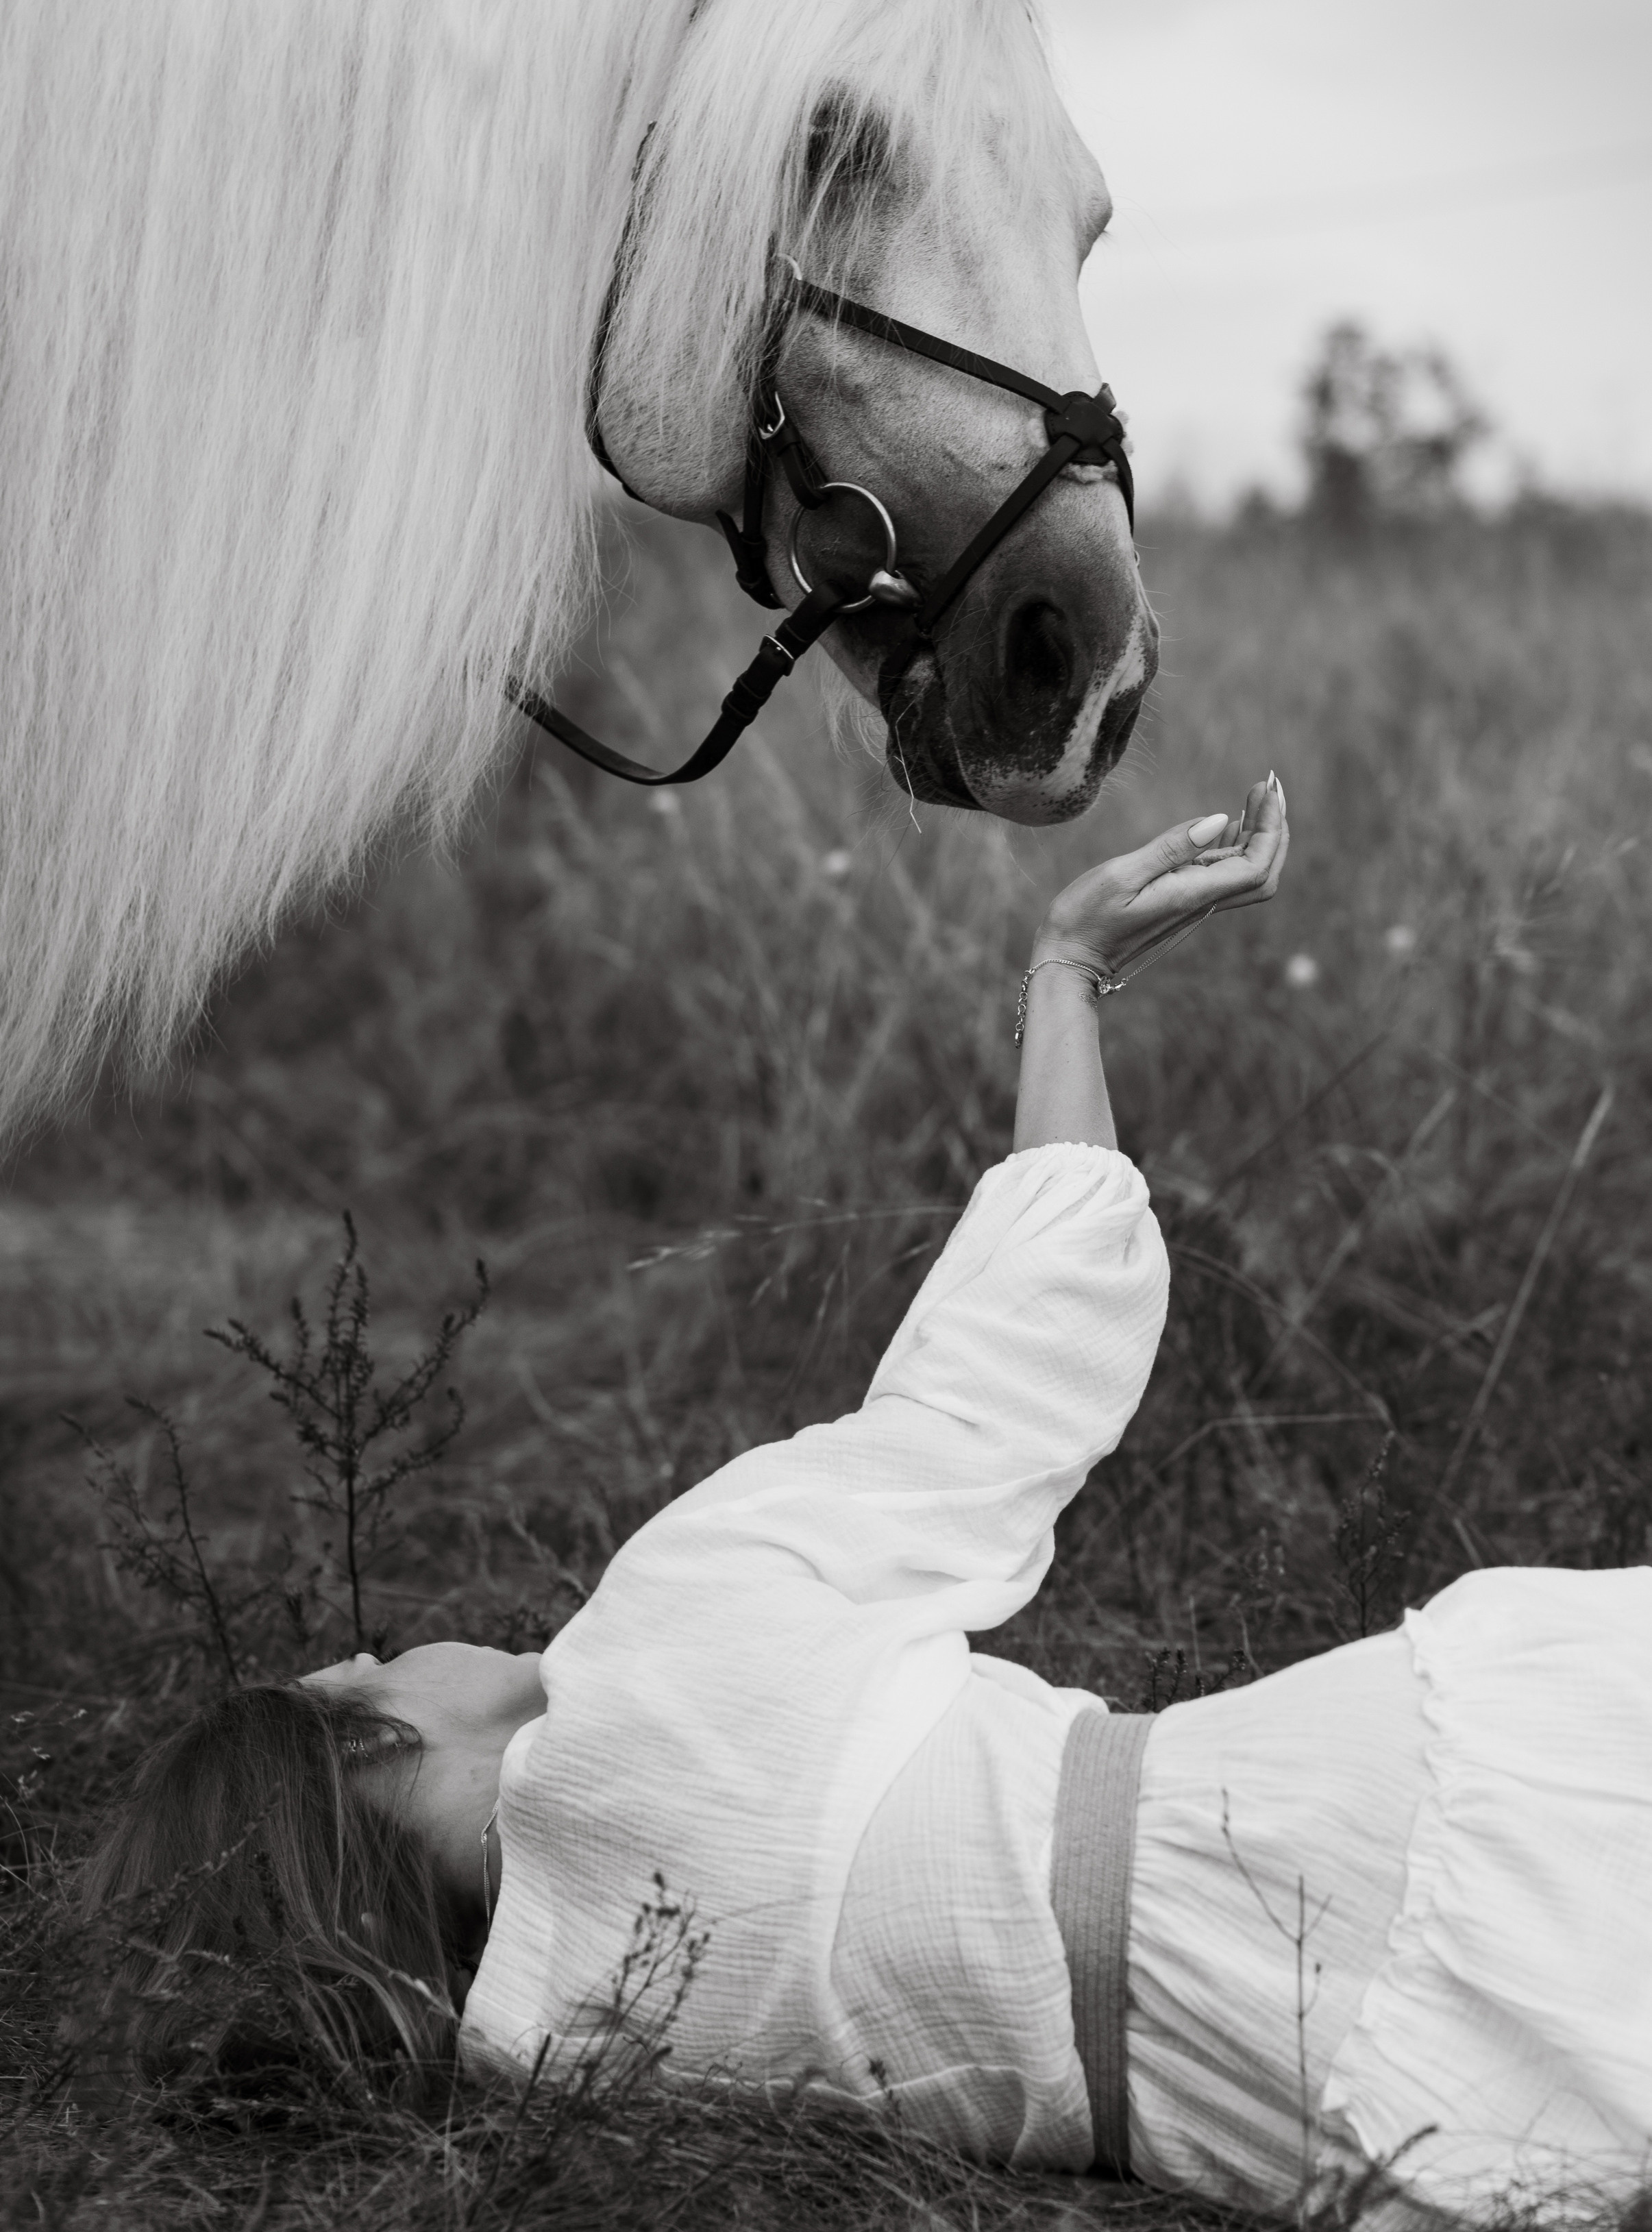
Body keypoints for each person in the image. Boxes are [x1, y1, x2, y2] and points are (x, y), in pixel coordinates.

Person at [84, 776, 1652, 2225]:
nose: (400, 1641)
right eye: (366, 1656)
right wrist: (1066, 968)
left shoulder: (543, 2045)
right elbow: (1004, 1362)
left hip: (1245, 2100)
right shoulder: (655, 1655)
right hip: (1325, 1830)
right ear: (371, 1725)